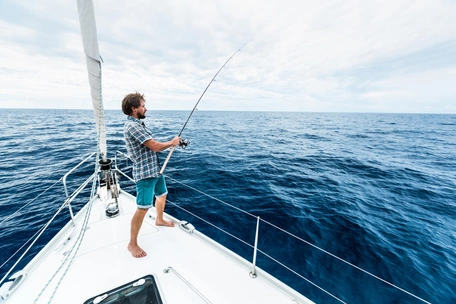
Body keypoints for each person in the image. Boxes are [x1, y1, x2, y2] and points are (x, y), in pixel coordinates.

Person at [122, 92, 180, 258]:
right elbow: (154, 146)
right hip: (146, 173)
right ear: (134, 108)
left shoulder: (138, 124)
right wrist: (172, 142)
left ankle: (159, 219)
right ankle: (132, 244)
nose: (145, 108)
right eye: (142, 105)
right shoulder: (133, 126)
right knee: (143, 208)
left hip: (155, 169)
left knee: (162, 195)